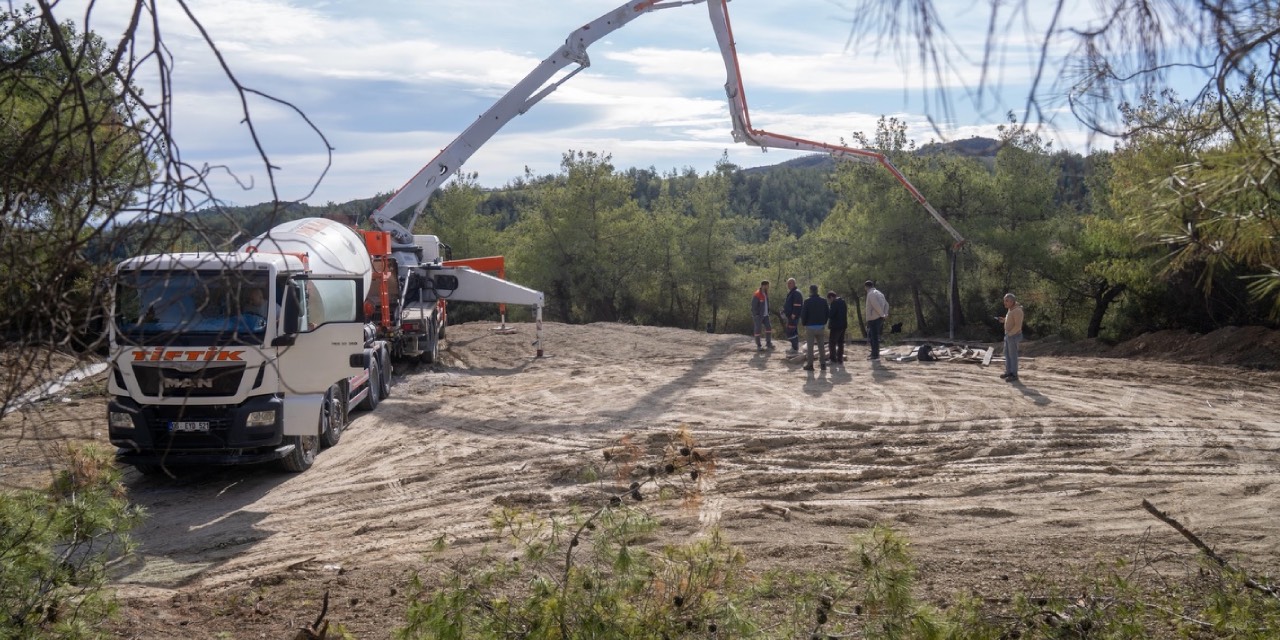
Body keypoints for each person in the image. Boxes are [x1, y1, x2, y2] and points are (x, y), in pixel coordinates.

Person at [799, 284, 829, 371]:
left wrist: (804, 324)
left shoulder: (807, 301)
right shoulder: (823, 301)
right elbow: (827, 313)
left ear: (810, 291)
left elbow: (804, 314)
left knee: (810, 347)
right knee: (821, 347)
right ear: (817, 290)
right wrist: (824, 322)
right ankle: (823, 364)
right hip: (820, 326)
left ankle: (810, 365)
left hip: (810, 327)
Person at [998, 293, 1024, 381]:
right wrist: (1004, 320)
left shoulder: (1017, 311)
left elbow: (1018, 326)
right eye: (1004, 300)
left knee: (1013, 355)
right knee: (1007, 355)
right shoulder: (1010, 309)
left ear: (1012, 301)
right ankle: (1008, 372)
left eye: (1006, 301)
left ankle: (1014, 375)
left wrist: (1010, 334)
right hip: (1008, 335)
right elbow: (1010, 320)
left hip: (1013, 336)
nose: (1004, 302)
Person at [864, 280, 889, 360]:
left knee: (873, 337)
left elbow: (875, 305)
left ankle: (875, 355)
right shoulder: (879, 293)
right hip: (879, 318)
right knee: (872, 336)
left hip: (873, 318)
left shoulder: (871, 294)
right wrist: (885, 314)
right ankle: (874, 353)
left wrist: (882, 314)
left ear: (866, 287)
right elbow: (886, 304)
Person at [750, 280, 775, 351]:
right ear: (763, 285)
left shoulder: (766, 293)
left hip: (766, 315)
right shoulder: (757, 294)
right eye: (767, 285)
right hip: (759, 316)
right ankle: (758, 345)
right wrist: (756, 315)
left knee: (769, 328)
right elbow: (753, 306)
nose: (768, 287)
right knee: (758, 330)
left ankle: (768, 343)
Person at [826, 290, 848, 363]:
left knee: (832, 342)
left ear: (831, 297)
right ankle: (840, 359)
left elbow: (831, 315)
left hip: (835, 326)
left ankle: (832, 359)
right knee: (840, 342)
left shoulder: (834, 303)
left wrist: (828, 309)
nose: (829, 301)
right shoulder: (843, 301)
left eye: (829, 299)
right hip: (843, 325)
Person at [783, 278, 803, 354]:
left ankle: (795, 348)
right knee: (793, 332)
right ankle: (794, 347)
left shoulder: (796, 293)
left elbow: (797, 305)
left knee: (790, 332)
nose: (788, 285)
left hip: (793, 317)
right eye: (788, 283)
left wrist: (794, 314)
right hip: (790, 316)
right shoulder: (792, 292)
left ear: (794, 283)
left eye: (790, 283)